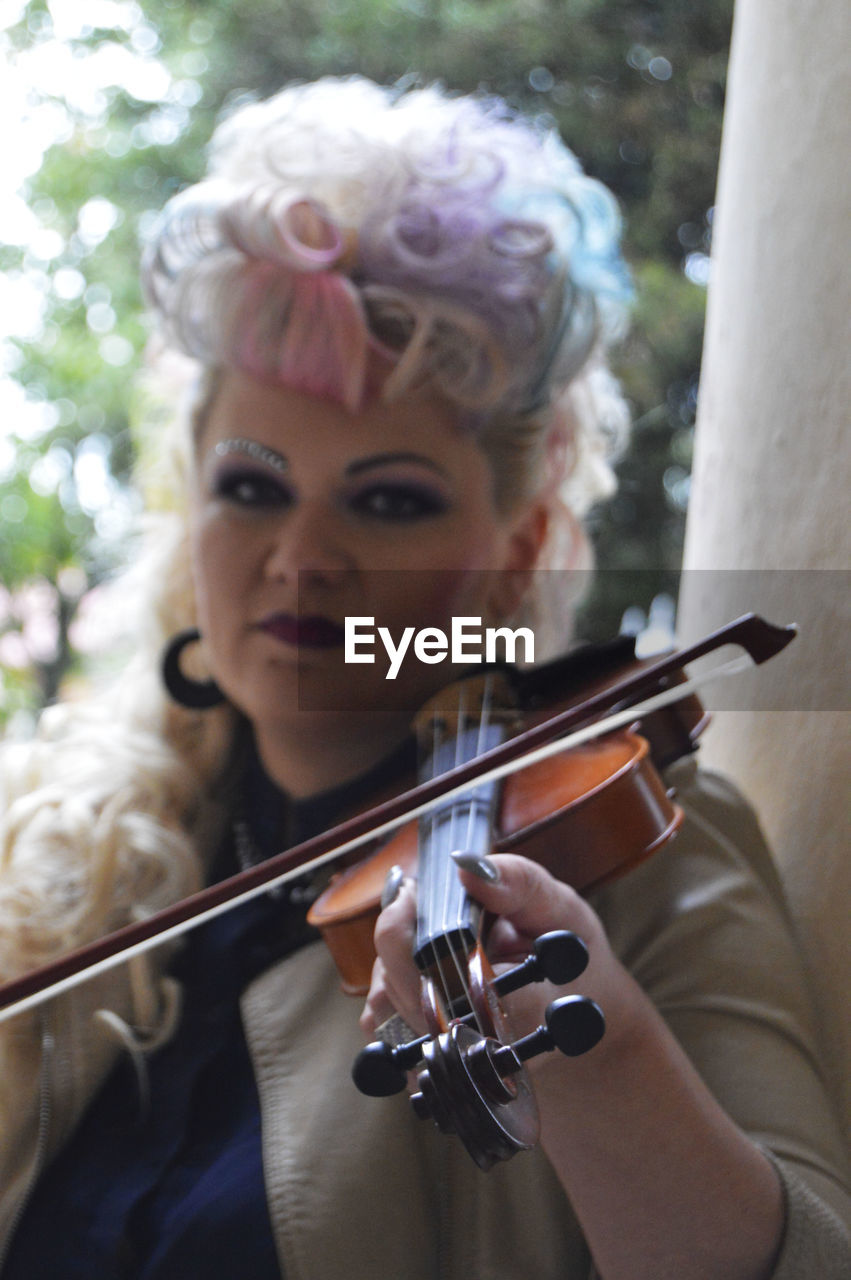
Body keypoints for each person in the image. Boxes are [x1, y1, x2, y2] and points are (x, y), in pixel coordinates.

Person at [0, 77, 848, 1280]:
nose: (299, 558)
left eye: (386, 499)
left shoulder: (628, 845)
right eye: (252, 487)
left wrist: (595, 1051)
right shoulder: (61, 850)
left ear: (511, 543)